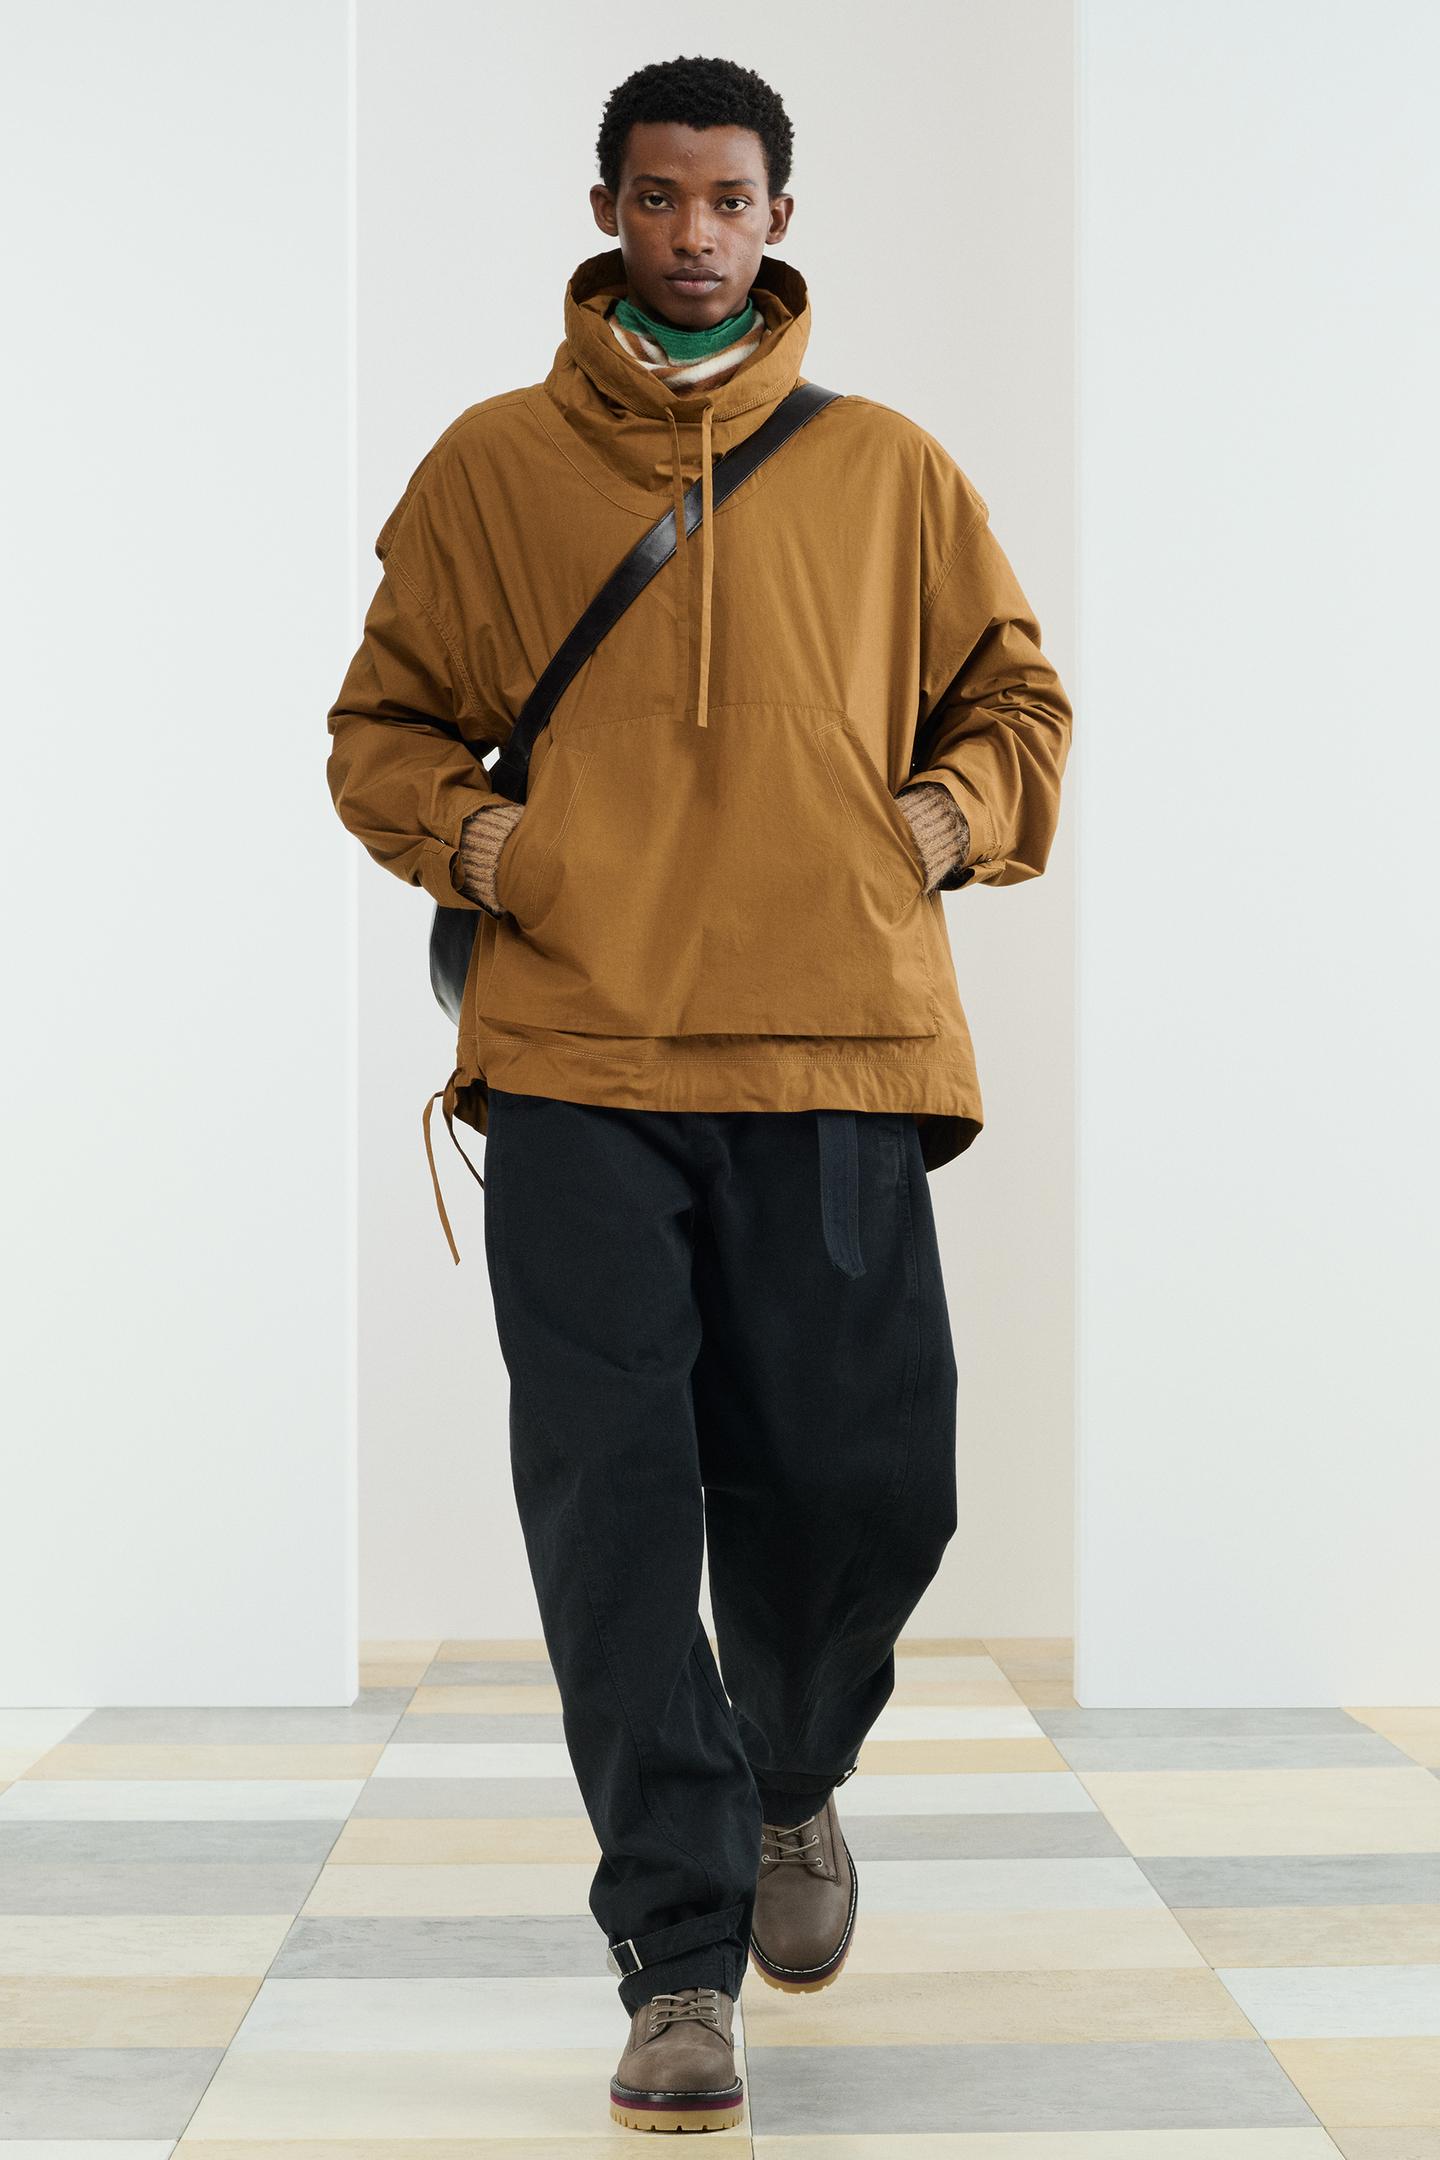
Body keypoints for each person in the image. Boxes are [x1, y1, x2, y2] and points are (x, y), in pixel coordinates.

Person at [325, 52, 1072, 2136]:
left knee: (867, 1484)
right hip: (580, 1057)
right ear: (605, 208)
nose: (691, 234)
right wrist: (495, 848)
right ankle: (676, 1962)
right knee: (618, 1512)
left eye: (728, 199)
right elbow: (383, 729)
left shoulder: (890, 469)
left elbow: (1018, 701)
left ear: (778, 218)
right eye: (657, 197)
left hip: (834, 1045)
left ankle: (790, 1777)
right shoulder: (492, 468)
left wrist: (928, 826)